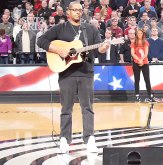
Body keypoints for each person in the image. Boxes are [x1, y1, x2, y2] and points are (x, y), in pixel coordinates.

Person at [37, 2, 109, 153]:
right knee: (66, 108)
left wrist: (104, 47)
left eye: (80, 10)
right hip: (66, 74)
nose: (77, 12)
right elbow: (41, 41)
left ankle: (89, 139)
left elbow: (99, 49)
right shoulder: (60, 28)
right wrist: (59, 50)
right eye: (74, 10)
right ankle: (64, 139)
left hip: (86, 73)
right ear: (68, 11)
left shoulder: (90, 29)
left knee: (87, 108)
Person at [130, 28, 157, 103]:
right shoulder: (133, 43)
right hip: (136, 62)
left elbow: (146, 53)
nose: (139, 35)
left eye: (141, 33)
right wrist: (138, 60)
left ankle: (150, 96)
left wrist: (142, 60)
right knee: (137, 80)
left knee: (147, 79)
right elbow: (132, 53)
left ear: (143, 34)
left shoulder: (145, 42)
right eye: (138, 33)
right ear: (136, 34)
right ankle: (137, 96)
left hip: (144, 62)